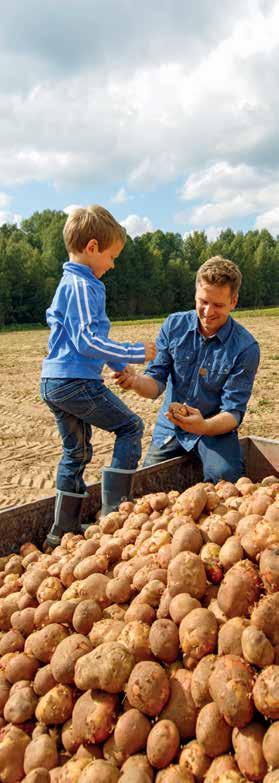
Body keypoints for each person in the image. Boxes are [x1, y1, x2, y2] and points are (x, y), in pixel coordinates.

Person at [40, 205, 156, 547]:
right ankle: (113, 517)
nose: (113, 264)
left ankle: (60, 534)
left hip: (58, 381)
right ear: (92, 248)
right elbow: (87, 341)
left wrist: (120, 368)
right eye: (111, 256)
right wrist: (136, 352)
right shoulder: (80, 285)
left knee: (76, 453)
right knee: (130, 427)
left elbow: (85, 343)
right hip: (73, 382)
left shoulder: (75, 282)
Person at [114, 256, 260, 484]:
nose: (208, 312)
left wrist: (203, 426)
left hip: (214, 430)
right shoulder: (174, 326)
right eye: (203, 301)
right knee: (146, 484)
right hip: (171, 428)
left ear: (234, 301)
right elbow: (155, 384)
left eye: (219, 305)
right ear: (195, 294)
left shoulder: (245, 348)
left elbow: (233, 412)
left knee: (226, 478)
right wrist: (134, 382)